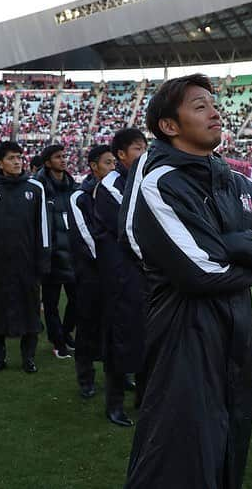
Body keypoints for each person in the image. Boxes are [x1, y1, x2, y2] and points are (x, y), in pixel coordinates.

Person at [122, 74, 252, 489]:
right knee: (177, 455)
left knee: (227, 447)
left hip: (237, 332)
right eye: (200, 106)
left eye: (214, 104)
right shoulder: (161, 183)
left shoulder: (235, 182)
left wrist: (231, 243)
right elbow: (199, 271)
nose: (215, 112)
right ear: (169, 125)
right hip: (185, 334)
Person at [0, 141, 50, 373]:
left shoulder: (35, 188)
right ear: (0, 163)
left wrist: (43, 260)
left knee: (30, 313)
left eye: (19, 157)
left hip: (27, 264)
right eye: (12, 158)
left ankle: (28, 358)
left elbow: (42, 228)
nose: (17, 162)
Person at [92, 128, 147, 427]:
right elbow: (134, 227)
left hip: (143, 275)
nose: (144, 154)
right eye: (138, 149)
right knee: (120, 338)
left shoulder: (142, 180)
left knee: (146, 335)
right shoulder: (112, 185)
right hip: (120, 275)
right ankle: (114, 404)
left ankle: (144, 397)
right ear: (121, 156)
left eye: (145, 148)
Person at [68, 144, 116, 399]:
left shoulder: (121, 194)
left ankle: (118, 373)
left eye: (114, 163)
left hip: (116, 274)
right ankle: (86, 378)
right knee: (87, 327)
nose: (112, 168)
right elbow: (86, 237)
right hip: (91, 275)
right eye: (107, 163)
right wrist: (112, 260)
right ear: (94, 166)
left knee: (117, 326)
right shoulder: (80, 197)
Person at [35, 144, 79, 359]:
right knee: (51, 303)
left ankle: (66, 332)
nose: (63, 160)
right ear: (47, 162)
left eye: (64, 156)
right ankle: (58, 341)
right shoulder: (38, 188)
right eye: (57, 157)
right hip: (50, 256)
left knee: (77, 300)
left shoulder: (73, 186)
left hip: (72, 254)